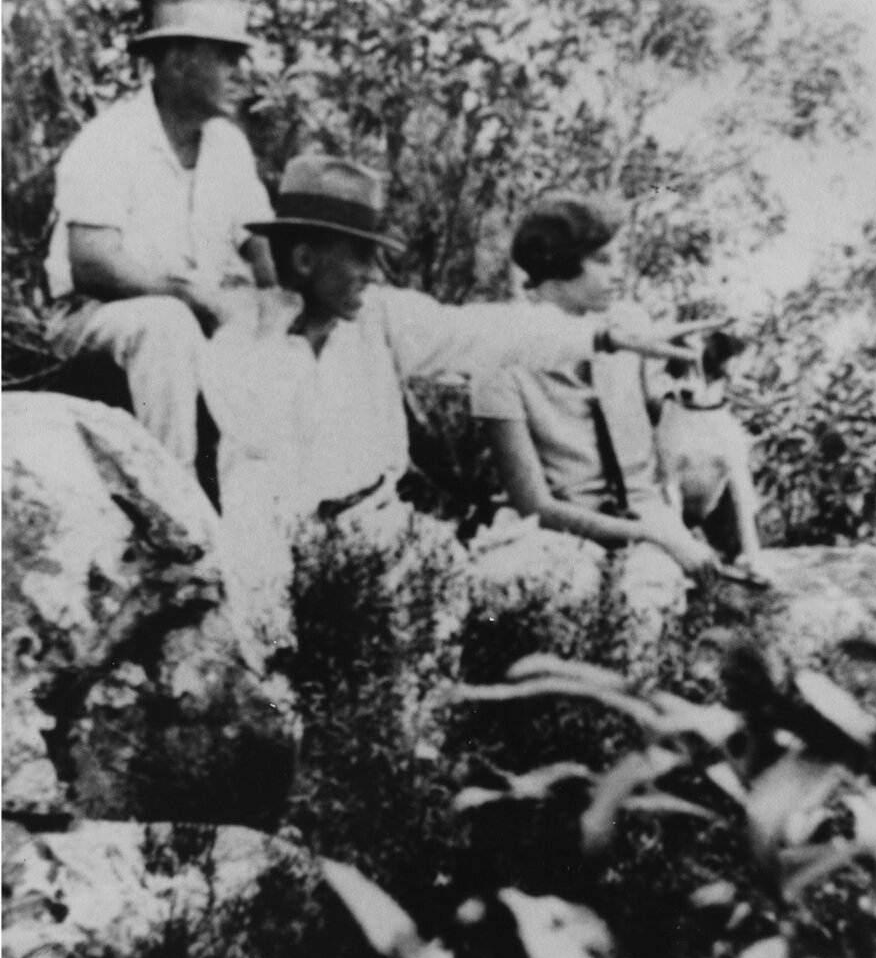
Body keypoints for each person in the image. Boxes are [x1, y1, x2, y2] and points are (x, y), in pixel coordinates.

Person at [200, 156, 703, 642]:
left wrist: (607, 339)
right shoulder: (240, 349)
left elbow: (486, 332)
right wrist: (271, 336)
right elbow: (256, 482)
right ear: (306, 259)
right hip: (287, 552)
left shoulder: (380, 319)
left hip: (381, 533)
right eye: (358, 255)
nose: (373, 273)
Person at [45, 0, 274, 472]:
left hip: (193, 319)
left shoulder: (227, 146)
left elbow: (261, 246)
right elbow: (93, 264)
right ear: (174, 60)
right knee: (165, 323)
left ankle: (268, 503)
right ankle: (174, 499)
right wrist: (193, 295)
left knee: (269, 322)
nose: (241, 73)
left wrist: (284, 304)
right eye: (225, 56)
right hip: (95, 319)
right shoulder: (111, 140)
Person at [470, 198, 720, 619]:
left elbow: (659, 417)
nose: (618, 273)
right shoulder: (498, 358)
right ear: (558, 264)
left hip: (648, 512)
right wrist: (656, 537)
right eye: (602, 260)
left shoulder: (630, 322)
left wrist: (689, 386)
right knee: (554, 593)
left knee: (647, 601)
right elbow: (536, 505)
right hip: (559, 526)